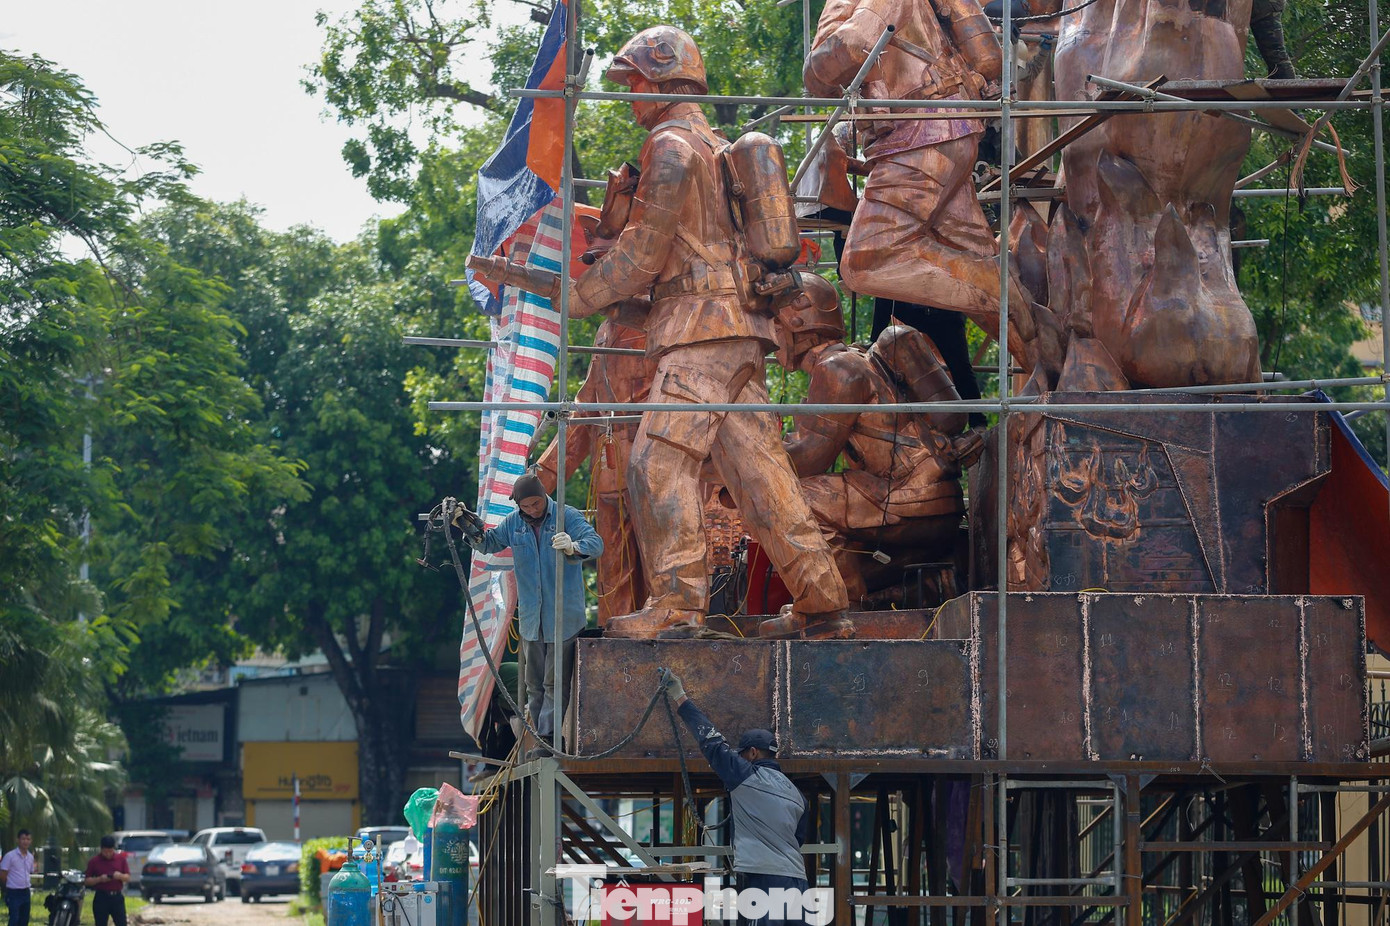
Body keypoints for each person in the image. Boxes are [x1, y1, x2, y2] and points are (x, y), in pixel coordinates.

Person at [568, 25, 851, 640]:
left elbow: (642, 254)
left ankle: (676, 604)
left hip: (699, 332)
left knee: (655, 463)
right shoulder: (718, 144)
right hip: (742, 333)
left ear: (660, 79)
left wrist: (578, 297)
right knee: (762, 478)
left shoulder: (670, 148)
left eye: (633, 83)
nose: (629, 97)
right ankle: (823, 598)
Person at [804, 0, 1051, 373]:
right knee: (970, 255)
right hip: (946, 134)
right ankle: (1051, 365)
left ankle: (993, 283)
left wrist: (816, 66)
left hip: (919, 136)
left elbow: (850, 47)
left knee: (865, 260)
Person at [775, 276, 982, 605]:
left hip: (908, 499)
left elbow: (809, 455)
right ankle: (928, 584)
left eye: (774, 323)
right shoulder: (855, 359)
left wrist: (749, 460)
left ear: (796, 322)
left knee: (793, 499)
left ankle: (837, 608)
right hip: (934, 499)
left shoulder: (836, 368)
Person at [661, 671, 809, 926]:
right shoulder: (798, 795)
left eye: (741, 755)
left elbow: (712, 743)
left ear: (752, 753)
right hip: (798, 881)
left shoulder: (746, 776)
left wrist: (679, 695)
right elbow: (798, 840)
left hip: (764, 881)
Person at [472, 472, 603, 757]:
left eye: (536, 503)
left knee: (555, 683)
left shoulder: (566, 516)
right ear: (518, 505)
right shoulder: (513, 523)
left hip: (564, 619)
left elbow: (596, 544)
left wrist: (573, 546)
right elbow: (488, 543)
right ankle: (541, 740)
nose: (533, 510)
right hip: (532, 620)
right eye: (527, 506)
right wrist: (469, 528)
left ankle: (551, 740)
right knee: (533, 685)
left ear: (544, 496)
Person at [534, 318, 656, 624]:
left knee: (661, 567)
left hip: (655, 466)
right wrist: (543, 476)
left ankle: (664, 636)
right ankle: (615, 637)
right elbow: (586, 406)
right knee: (613, 568)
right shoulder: (605, 330)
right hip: (609, 469)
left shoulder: (665, 318)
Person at [84, 836, 129, 926]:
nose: (108, 854)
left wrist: (119, 876)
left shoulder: (120, 859)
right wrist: (100, 879)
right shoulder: (94, 861)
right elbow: (86, 881)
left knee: (121, 923)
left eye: (110, 851)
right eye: (105, 852)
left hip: (117, 897)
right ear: (101, 849)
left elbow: (127, 877)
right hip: (101, 897)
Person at [1, 830, 35, 926]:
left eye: (28, 839)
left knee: (24, 919)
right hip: (14, 892)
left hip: (26, 892)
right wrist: (10, 884)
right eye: (23, 839)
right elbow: (3, 873)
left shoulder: (30, 857)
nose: (26, 842)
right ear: (18, 840)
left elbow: (30, 872)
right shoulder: (10, 856)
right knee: (14, 919)